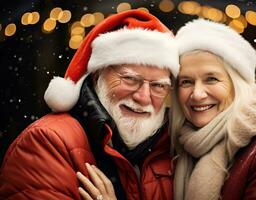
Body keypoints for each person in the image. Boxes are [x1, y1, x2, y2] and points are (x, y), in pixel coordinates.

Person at [0, 10, 179, 200]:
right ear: (97, 76)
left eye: (158, 86)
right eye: (130, 79)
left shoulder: (174, 151)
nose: (143, 97)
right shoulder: (47, 142)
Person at [171, 19, 256, 200]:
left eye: (211, 79)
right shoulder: (178, 149)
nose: (197, 94)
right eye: (186, 82)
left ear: (237, 84)